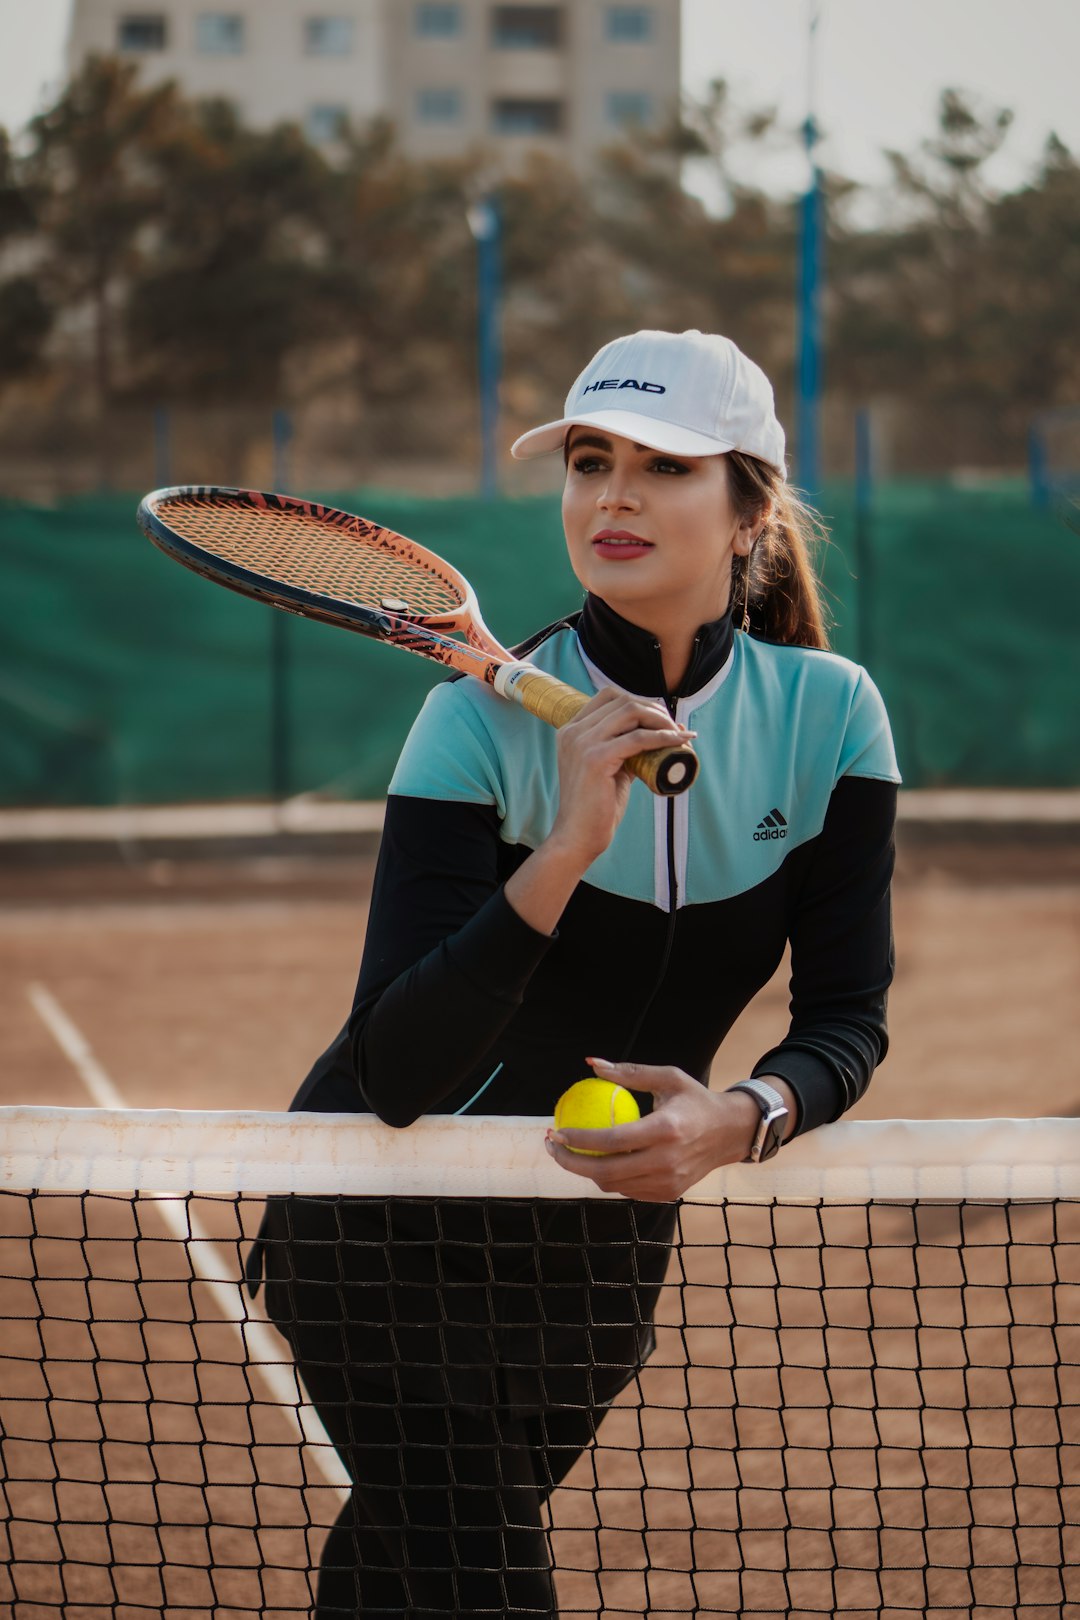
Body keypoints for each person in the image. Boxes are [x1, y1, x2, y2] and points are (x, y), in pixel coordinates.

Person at [247, 328, 900, 1618]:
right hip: (382, 1234)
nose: (614, 496)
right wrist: (567, 845)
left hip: (595, 1271)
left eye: (664, 467)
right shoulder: (471, 721)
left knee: (405, 1580)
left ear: (750, 509)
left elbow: (845, 1019)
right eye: (591, 461)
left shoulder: (834, 716)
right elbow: (392, 1068)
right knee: (492, 1587)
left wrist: (741, 1117)